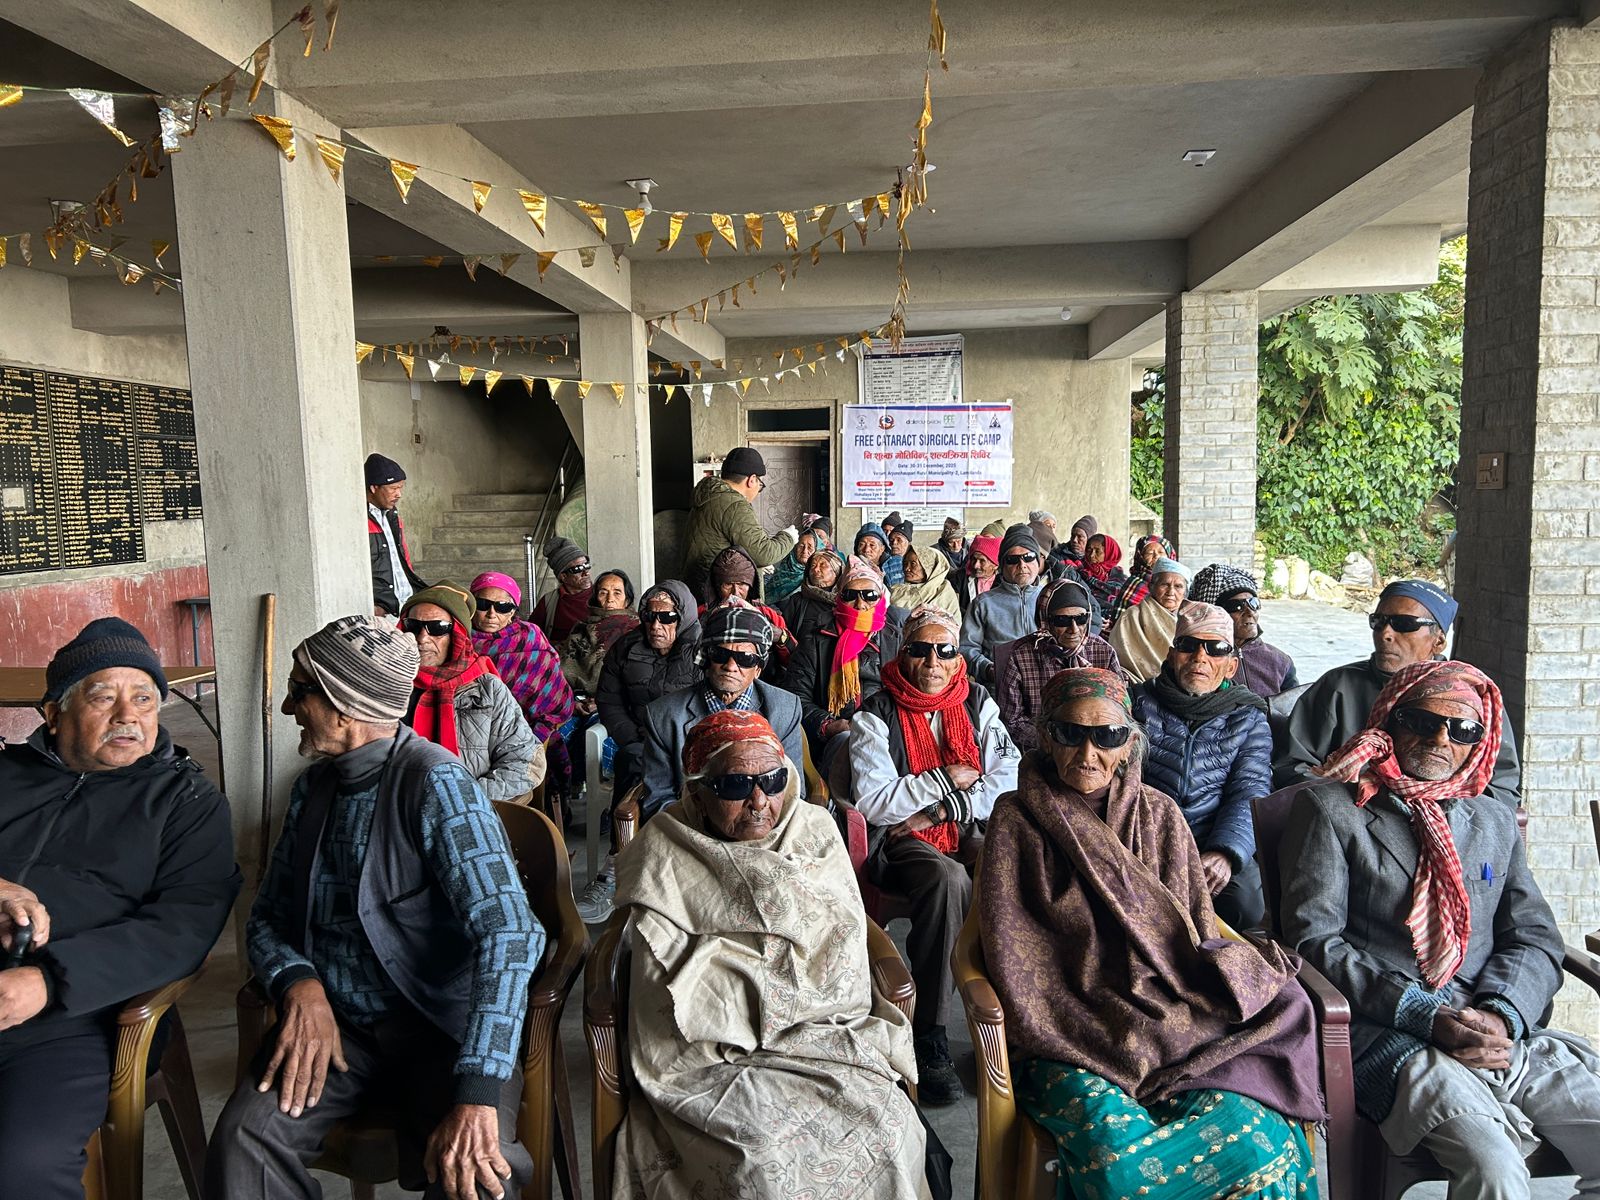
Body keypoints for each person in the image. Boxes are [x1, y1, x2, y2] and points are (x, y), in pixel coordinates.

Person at [208, 614, 544, 1200]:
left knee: (478, 1175)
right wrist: (299, 984)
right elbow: (266, 917)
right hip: (338, 1031)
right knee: (245, 1140)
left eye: (300, 691)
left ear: (345, 707)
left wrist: (477, 1091)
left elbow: (512, 933)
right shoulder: (312, 789)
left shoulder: (437, 784)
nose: (288, 707)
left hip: (440, 1031)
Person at [978, 667, 1323, 1198]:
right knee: (1121, 1171)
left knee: (1262, 1145)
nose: (1088, 753)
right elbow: (1014, 949)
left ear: (1129, 744)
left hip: (1172, 1018)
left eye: (1107, 736)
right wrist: (1107, 1015)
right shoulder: (1016, 818)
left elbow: (1195, 928)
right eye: (1070, 733)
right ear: (1046, 737)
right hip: (1071, 1033)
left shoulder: (1160, 815)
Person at [1280, 660, 1600, 1195]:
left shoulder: (1492, 819)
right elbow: (1313, 941)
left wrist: (1501, 1013)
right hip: (1395, 1033)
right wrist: (1426, 1016)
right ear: (1390, 721)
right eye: (1422, 721)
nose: (1440, 739)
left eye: (1462, 729)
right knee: (1494, 1168)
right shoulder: (1333, 809)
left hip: (1496, 1031)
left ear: (1479, 742)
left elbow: (1533, 936)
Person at [609, 710, 927, 1199]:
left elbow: (842, 938)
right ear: (698, 792)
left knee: (889, 1128)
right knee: (759, 1164)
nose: (759, 801)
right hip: (715, 1059)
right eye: (736, 785)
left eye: (773, 781)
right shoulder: (663, 849)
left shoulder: (815, 830)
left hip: (822, 1034)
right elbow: (659, 984)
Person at [0, 619, 240, 1199]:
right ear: (53, 714)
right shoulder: (5, 775)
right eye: (103, 697)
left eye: (144, 699)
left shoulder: (186, 802)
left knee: (22, 1165)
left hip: (74, 1016)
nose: (127, 715)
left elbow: (183, 927)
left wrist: (48, 982)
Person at [847, 606, 1020, 1106]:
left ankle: (1022, 1023)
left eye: (945, 650)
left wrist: (942, 807)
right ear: (903, 655)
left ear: (959, 657)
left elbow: (1008, 778)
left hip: (967, 826)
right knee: (947, 879)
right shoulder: (875, 713)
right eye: (921, 650)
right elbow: (876, 802)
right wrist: (948, 777)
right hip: (902, 841)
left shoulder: (977, 701)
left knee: (1021, 866)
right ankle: (930, 1035)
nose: (933, 662)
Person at [1273, 580, 1522, 804]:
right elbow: (1292, 767)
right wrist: (1353, 804)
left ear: (1438, 641)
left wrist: (1430, 808)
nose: (1385, 634)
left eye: (1404, 624)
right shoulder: (1339, 687)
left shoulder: (1474, 699)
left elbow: (1500, 791)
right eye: (1378, 622)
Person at [1131, 604, 1271, 930]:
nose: (1199, 657)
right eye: (1188, 645)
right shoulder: (1138, 702)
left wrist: (1226, 853)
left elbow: (1250, 790)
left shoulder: (1247, 717)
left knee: (1244, 904)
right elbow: (1123, 778)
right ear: (1171, 655)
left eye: (1215, 648)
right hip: (1144, 832)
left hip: (1210, 835)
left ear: (1231, 666)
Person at [581, 581, 702, 924]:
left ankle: (670, 870)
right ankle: (616, 865)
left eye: (667, 618)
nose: (656, 625)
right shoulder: (626, 647)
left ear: (683, 617)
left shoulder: (702, 648)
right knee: (633, 760)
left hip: (689, 742)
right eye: (649, 616)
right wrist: (633, 736)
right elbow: (609, 701)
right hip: (640, 740)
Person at [637, 600, 804, 817]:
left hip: (765, 821)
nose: (731, 666)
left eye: (745, 659)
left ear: (758, 669)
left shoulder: (785, 709)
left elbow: (792, 792)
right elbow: (659, 800)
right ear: (706, 660)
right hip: (691, 826)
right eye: (720, 655)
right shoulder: (663, 716)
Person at [401, 582, 542, 799]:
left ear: (457, 635)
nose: (422, 638)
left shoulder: (487, 690)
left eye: (437, 627)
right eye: (412, 625)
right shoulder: (389, 685)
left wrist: (463, 799)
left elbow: (526, 763)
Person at [785, 557, 900, 771]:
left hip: (888, 732)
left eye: (870, 595)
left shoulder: (895, 639)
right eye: (850, 595)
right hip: (838, 736)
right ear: (839, 597)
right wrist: (827, 725)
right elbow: (796, 695)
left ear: (881, 597)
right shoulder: (816, 637)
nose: (860, 604)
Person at [996, 578, 1123, 752]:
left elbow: (1119, 713)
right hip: (1041, 748)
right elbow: (1012, 720)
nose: (1074, 629)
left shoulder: (1103, 652)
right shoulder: (1021, 656)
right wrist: (1057, 743)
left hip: (1095, 746)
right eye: (1062, 620)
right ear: (1045, 621)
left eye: (1081, 619)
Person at [681, 446, 798, 597]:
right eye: (760, 486)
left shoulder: (708, 497)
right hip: (717, 596)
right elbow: (763, 553)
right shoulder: (734, 505)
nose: (758, 491)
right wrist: (788, 537)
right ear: (752, 480)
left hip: (695, 590)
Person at [1191, 564, 1299, 697]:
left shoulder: (1280, 661)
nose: (1250, 613)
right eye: (1237, 606)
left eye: (1253, 603)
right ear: (1217, 615)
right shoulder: (1199, 660)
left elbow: (1294, 705)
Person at [959, 525, 1045, 686]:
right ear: (1002, 566)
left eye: (1028, 557)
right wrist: (988, 669)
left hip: (1046, 685)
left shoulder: (1051, 598)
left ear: (1038, 561)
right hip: (999, 688)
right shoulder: (983, 604)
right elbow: (966, 648)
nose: (1022, 565)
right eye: (1013, 559)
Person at [700, 547, 793, 672]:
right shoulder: (702, 613)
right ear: (717, 586)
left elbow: (793, 661)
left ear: (750, 585)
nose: (735, 592)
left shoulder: (767, 614)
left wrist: (781, 637)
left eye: (741, 584)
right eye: (728, 584)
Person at [1109, 556, 1193, 683]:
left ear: (1185, 592)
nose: (1171, 591)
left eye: (1178, 586)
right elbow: (1119, 658)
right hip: (1136, 684)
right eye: (1164, 584)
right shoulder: (1132, 616)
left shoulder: (1191, 619)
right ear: (1151, 586)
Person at [561, 569, 638, 701]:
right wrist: (574, 702)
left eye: (617, 593)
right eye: (603, 593)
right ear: (595, 598)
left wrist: (603, 702)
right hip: (574, 700)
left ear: (627, 600)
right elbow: (561, 674)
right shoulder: (581, 629)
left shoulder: (636, 631)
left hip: (618, 702)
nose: (610, 599)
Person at [366, 452, 428, 616]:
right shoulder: (359, 521)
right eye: (393, 488)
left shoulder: (392, 516)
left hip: (405, 601)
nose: (399, 494)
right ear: (374, 488)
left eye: (400, 488)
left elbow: (403, 558)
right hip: (383, 609)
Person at [529, 536, 593, 643]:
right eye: (578, 569)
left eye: (586, 565)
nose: (586, 573)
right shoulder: (549, 602)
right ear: (563, 576)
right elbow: (531, 636)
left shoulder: (603, 595)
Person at [777, 544, 844, 645]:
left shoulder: (845, 601)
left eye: (822, 565)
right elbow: (785, 632)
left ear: (836, 571)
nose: (816, 569)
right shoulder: (797, 600)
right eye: (813, 565)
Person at [1103, 532, 1173, 627]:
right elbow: (1123, 622)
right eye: (1150, 553)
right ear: (1141, 557)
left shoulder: (1177, 582)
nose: (1156, 556)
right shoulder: (1134, 585)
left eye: (1161, 552)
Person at [890, 542, 960, 615]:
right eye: (905, 563)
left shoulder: (943, 592)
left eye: (913, 564)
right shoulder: (897, 591)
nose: (907, 568)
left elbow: (952, 620)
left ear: (929, 568)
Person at [765, 523, 823, 605]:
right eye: (801, 546)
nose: (805, 551)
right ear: (795, 548)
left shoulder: (814, 577)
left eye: (810, 547)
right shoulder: (780, 566)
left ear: (817, 550)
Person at [951, 531, 1000, 615]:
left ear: (995, 565)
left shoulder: (1004, 582)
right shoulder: (960, 578)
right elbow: (953, 607)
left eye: (982, 561)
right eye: (974, 559)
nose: (975, 565)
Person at [1077, 532, 1126, 612]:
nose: (1091, 555)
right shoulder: (1079, 571)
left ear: (1109, 553)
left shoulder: (1119, 577)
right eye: (1089, 550)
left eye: (1097, 551)